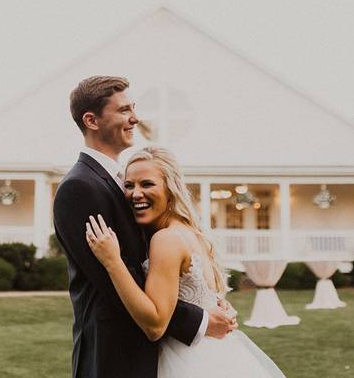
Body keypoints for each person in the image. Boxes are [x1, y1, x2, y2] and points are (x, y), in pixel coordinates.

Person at [52, 76, 236, 378]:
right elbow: (113, 283)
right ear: (91, 120)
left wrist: (207, 302)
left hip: (152, 352)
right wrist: (200, 319)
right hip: (113, 356)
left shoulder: (117, 181)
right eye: (124, 110)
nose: (135, 118)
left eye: (133, 108)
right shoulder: (79, 188)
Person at [86, 146, 286, 377]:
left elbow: (155, 325)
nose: (135, 193)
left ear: (170, 190)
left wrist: (112, 261)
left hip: (187, 361)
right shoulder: (189, 231)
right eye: (129, 185)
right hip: (216, 354)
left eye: (147, 184)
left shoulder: (165, 239)